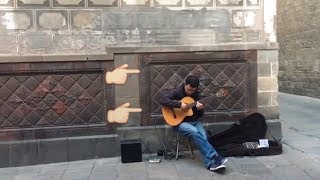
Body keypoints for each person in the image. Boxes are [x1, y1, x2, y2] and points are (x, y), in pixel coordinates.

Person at [159, 75, 227, 172]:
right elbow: (162, 100)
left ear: (196, 88)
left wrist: (200, 109)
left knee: (203, 136)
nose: (190, 92)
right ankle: (214, 156)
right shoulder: (177, 92)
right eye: (188, 90)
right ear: (185, 84)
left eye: (193, 90)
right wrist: (179, 104)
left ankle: (211, 164)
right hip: (179, 123)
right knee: (194, 132)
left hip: (194, 122)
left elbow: (200, 115)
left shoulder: (197, 96)